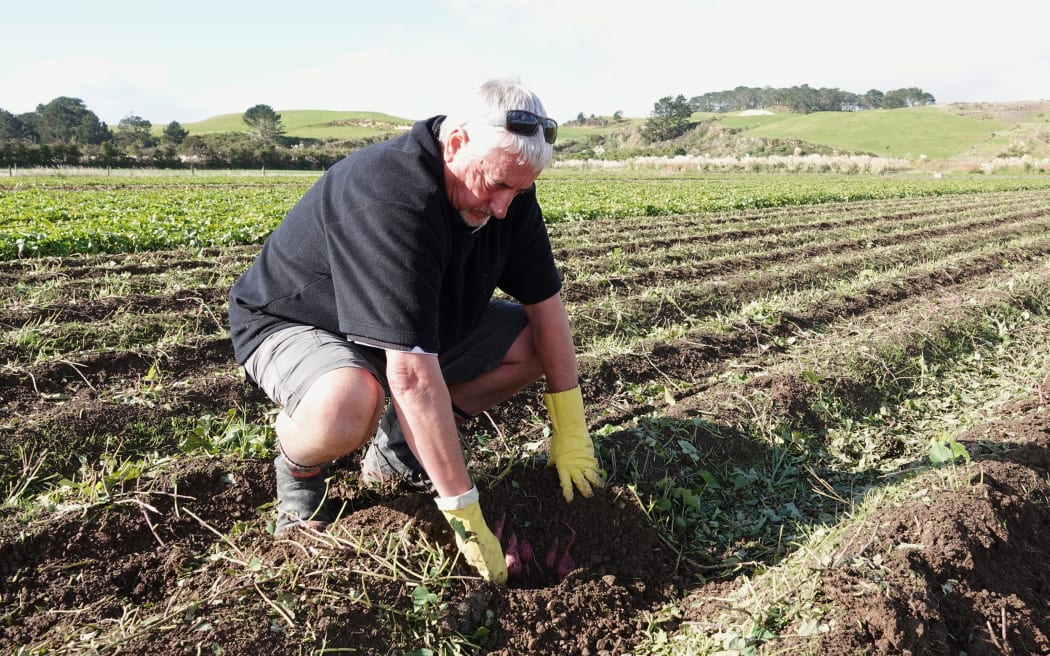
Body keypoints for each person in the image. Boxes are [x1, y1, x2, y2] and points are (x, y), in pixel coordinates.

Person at [227, 78, 603, 583]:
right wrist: (463, 511)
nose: (502, 208)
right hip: (303, 321)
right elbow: (409, 375)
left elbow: (547, 307)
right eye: (495, 184)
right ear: (456, 143)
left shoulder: (507, 194)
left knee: (534, 345)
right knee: (350, 403)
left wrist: (571, 426)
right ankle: (298, 470)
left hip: (416, 320)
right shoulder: (388, 194)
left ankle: (395, 455)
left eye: (519, 189)